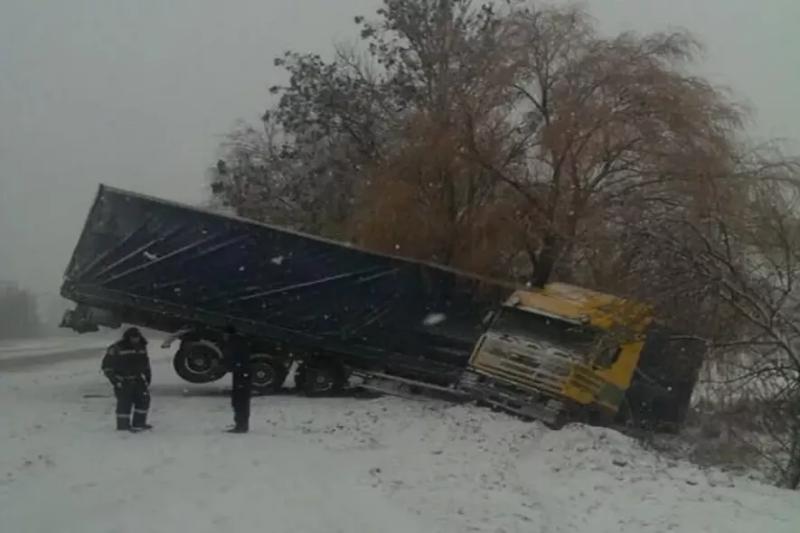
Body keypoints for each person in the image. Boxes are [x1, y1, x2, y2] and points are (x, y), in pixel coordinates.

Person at [102, 327, 152, 432]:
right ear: (128, 338)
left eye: (137, 337)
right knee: (124, 403)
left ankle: (139, 423)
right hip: (123, 380)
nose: (136, 340)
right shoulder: (117, 348)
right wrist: (115, 380)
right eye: (133, 338)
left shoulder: (142, 346)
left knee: (143, 400)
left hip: (138, 379)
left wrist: (148, 377)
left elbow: (146, 363)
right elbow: (107, 366)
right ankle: (123, 426)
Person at [223, 325, 251, 433]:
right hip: (242, 373)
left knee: (239, 400)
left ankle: (241, 425)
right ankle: (241, 423)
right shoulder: (239, 341)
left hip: (241, 374)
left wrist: (228, 366)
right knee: (240, 400)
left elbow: (236, 359)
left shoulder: (234, 343)